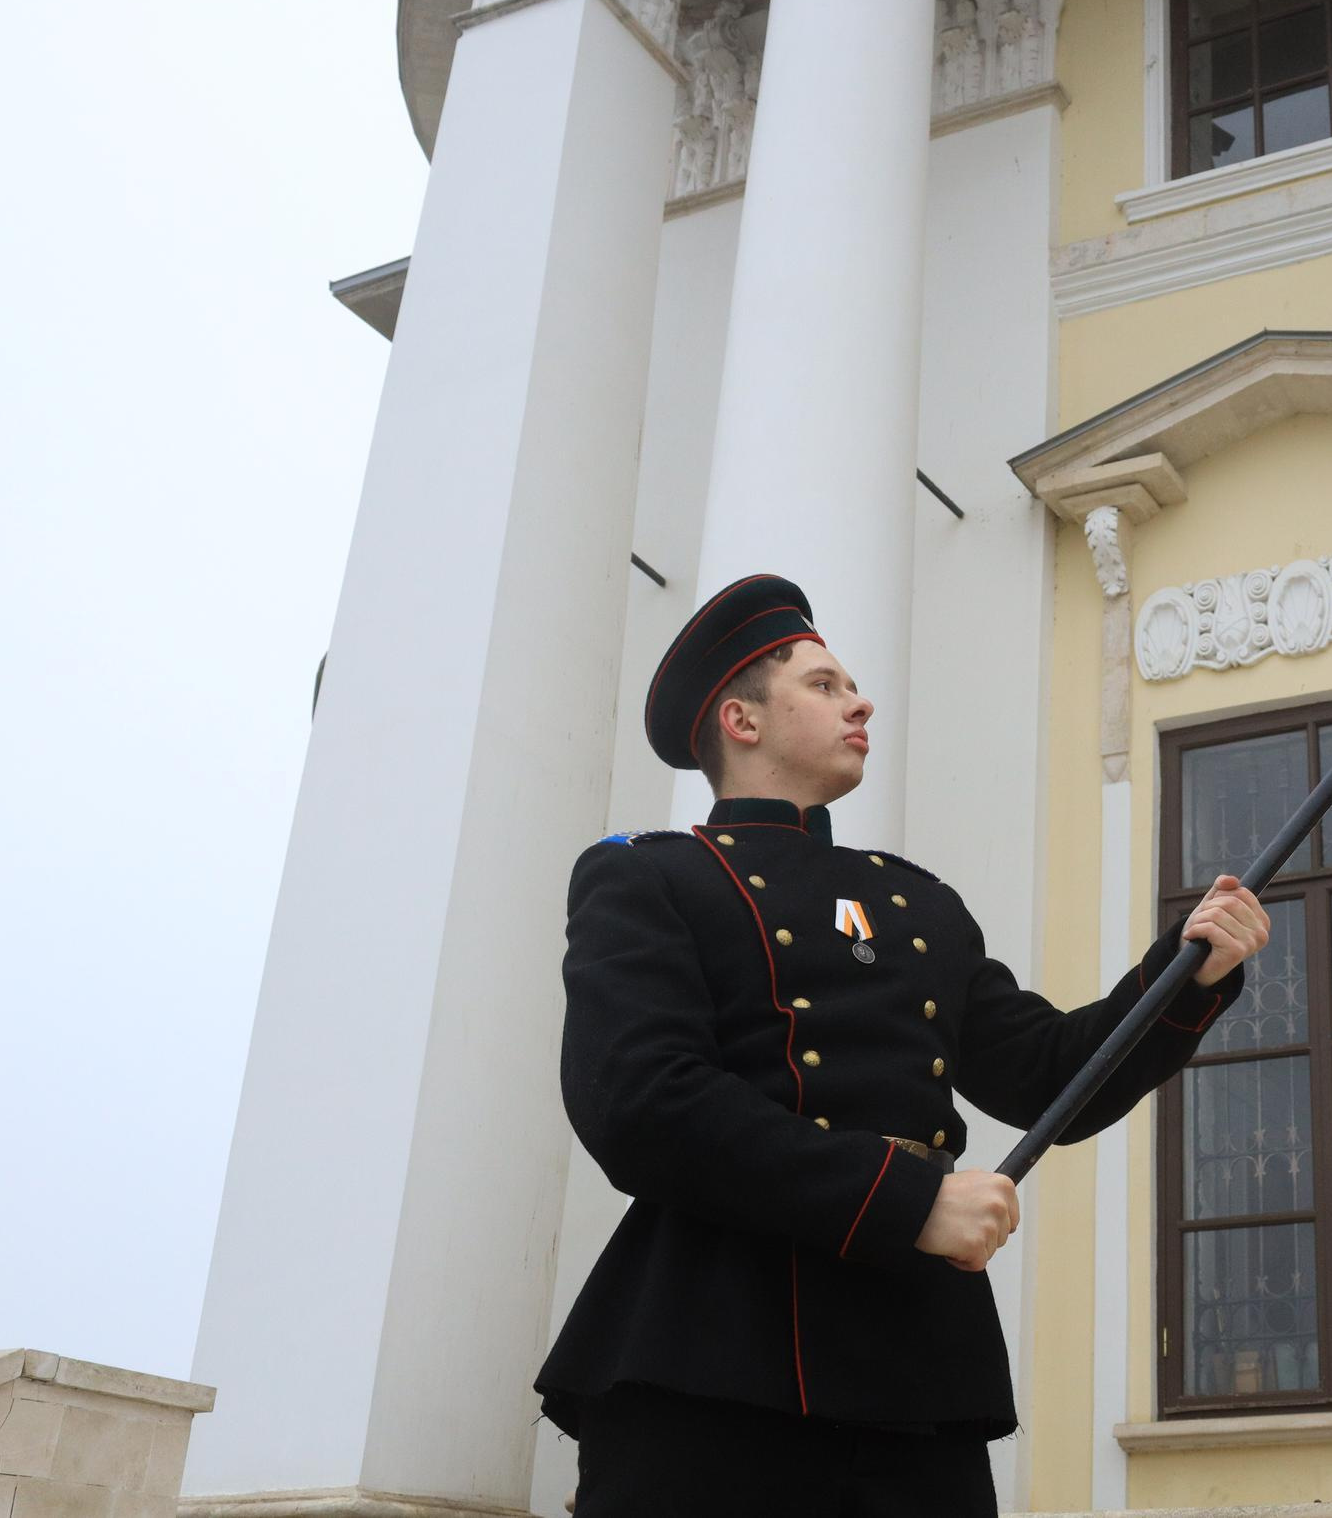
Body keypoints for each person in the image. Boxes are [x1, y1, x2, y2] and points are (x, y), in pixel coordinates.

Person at [536, 573, 1269, 1516]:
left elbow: (1051, 1075)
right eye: (824, 682)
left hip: (914, 1377)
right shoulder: (648, 878)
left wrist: (1183, 974)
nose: (860, 698)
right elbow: (638, 1101)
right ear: (742, 720)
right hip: (711, 1359)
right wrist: (909, 1198)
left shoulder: (917, 901)